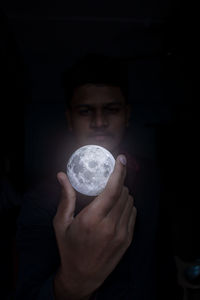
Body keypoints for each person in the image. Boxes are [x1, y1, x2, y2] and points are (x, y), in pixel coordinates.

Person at [15, 54, 182, 299]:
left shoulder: (153, 179)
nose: (99, 122)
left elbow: (163, 260)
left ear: (127, 114)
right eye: (85, 111)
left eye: (111, 110)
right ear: (69, 119)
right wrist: (72, 283)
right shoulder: (41, 201)